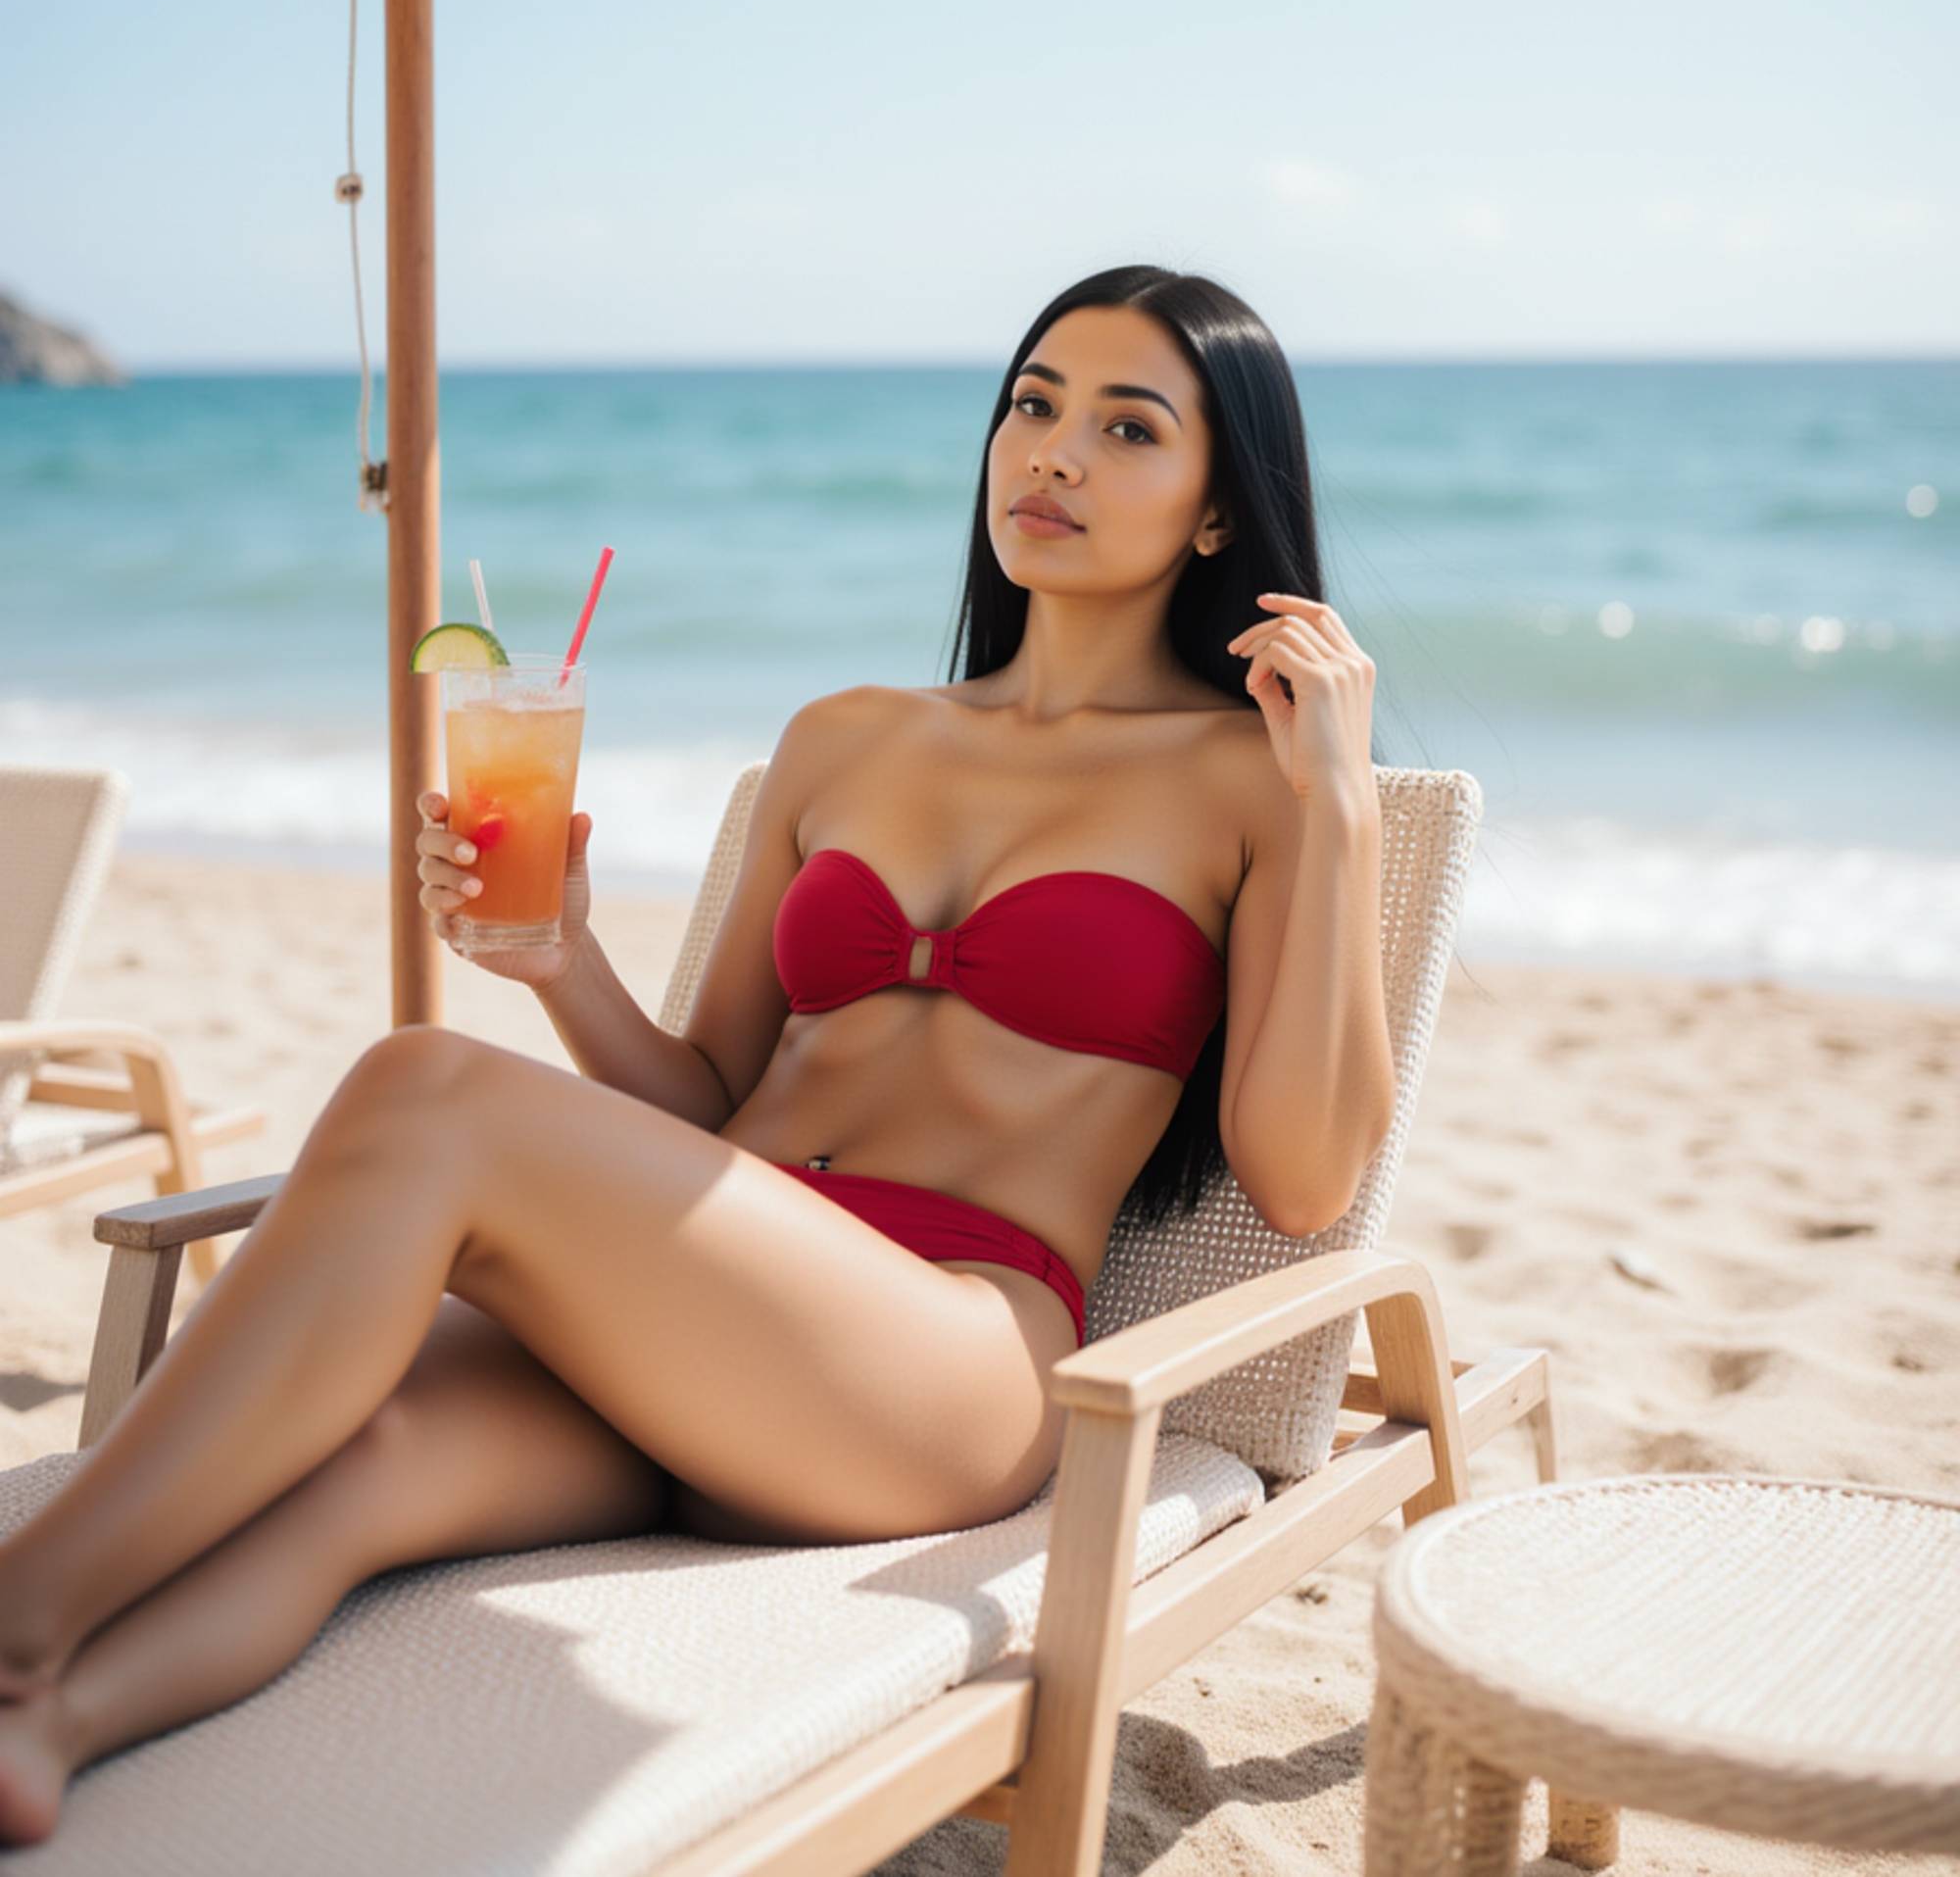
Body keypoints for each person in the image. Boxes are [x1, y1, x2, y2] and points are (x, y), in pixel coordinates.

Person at [0, 264, 1395, 1844]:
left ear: (1221, 513)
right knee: (359, 1467)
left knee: (420, 1083)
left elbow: (1303, 1177)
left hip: (936, 1366)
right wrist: (556, 962)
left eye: (1129, 427)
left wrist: (1340, 802)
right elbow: (707, 1108)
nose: (1054, 454)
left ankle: (15, 1619)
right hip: (697, 1332)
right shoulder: (845, 737)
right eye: (1033, 403)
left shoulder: (1256, 782)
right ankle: (52, 1722)